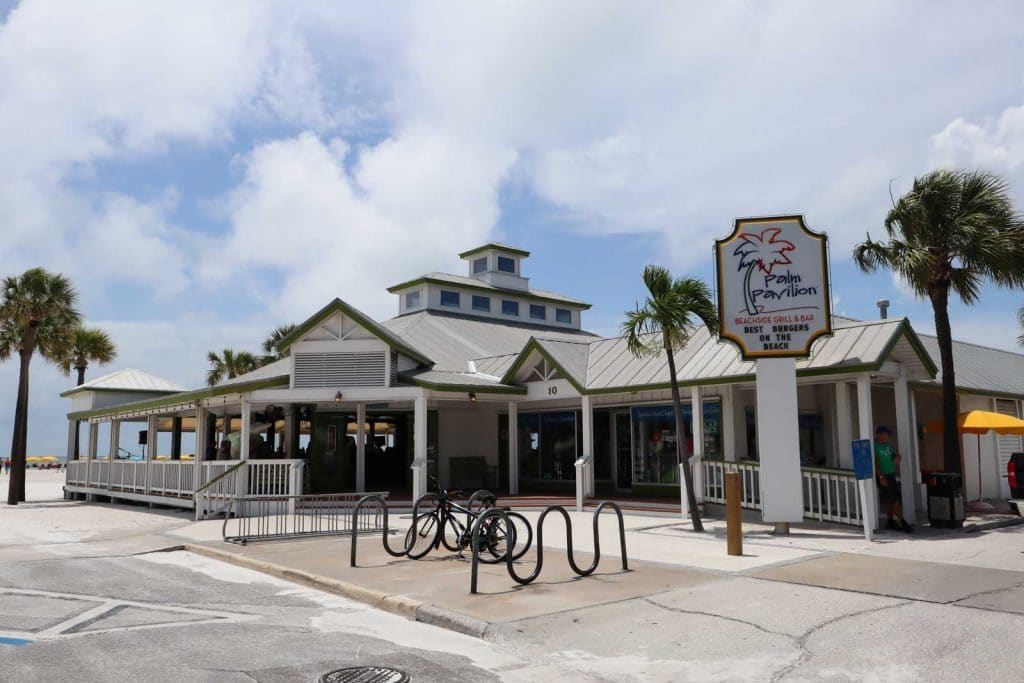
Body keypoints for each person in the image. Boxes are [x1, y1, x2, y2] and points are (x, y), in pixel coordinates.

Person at [875, 425, 912, 532]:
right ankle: (903, 523)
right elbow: (875, 463)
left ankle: (890, 521)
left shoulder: (886, 446)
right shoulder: (875, 446)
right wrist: (881, 476)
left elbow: (892, 457)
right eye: (887, 434)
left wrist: (896, 456)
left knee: (890, 500)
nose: (888, 437)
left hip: (891, 475)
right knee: (893, 500)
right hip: (883, 476)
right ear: (880, 435)